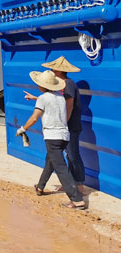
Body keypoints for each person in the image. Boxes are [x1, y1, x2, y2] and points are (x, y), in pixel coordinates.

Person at [17, 69, 85, 209]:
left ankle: (77, 199)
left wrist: (23, 129)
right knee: (51, 161)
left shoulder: (43, 98)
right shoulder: (60, 97)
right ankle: (40, 187)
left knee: (61, 168)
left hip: (52, 137)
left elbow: (35, 117)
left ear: (43, 86)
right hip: (64, 136)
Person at [43, 56, 85, 193]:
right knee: (68, 155)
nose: (50, 70)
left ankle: (79, 185)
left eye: (52, 68)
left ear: (58, 71)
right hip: (67, 125)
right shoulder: (62, 84)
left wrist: (63, 123)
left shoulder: (68, 84)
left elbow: (69, 105)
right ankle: (71, 183)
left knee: (73, 155)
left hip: (70, 126)